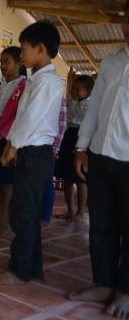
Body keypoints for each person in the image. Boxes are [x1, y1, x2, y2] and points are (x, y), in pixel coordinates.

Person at [0, 20, 64, 285]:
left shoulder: (48, 82)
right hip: (27, 148)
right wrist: (13, 144)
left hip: (34, 151)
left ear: (40, 49)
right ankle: (32, 267)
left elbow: (31, 118)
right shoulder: (37, 80)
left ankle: (19, 270)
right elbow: (23, 118)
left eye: (24, 49)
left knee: (24, 213)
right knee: (25, 211)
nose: (22, 54)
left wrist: (12, 147)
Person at [68, 0, 129, 320]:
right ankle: (103, 283)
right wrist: (81, 147)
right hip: (101, 154)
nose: (127, 26)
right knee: (102, 224)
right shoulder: (111, 62)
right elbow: (94, 109)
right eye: (127, 19)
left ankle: (126, 290)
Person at [0, 47, 27, 236]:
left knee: (7, 184)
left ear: (19, 63)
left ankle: (4, 222)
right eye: (1, 62)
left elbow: (19, 116)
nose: (2, 66)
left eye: (6, 61)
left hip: (8, 138)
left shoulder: (24, 87)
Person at [55, 74, 94, 222]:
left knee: (80, 179)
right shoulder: (70, 102)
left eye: (79, 90)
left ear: (88, 92)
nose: (74, 92)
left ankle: (80, 212)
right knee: (67, 177)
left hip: (82, 140)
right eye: (73, 89)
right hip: (68, 137)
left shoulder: (92, 106)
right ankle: (70, 210)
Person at [40, 98, 67, 226]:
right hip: (34, 145)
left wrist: (55, 149)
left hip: (50, 147)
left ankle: (45, 216)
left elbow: (62, 125)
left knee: (47, 181)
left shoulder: (58, 98)